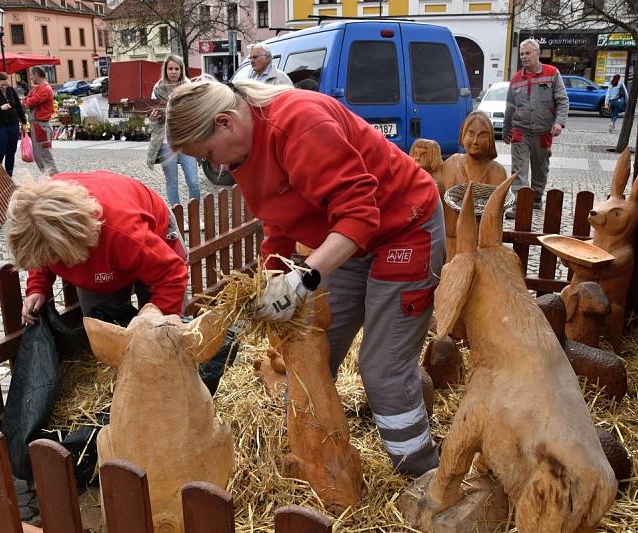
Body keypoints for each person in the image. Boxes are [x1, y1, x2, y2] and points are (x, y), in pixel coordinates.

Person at [166, 78, 445, 476]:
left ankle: (420, 472)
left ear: (225, 122)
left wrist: (304, 280)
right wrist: (272, 278)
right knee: (314, 350)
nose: (217, 166)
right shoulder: (245, 152)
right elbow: (279, 223)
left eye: (208, 154)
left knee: (381, 366)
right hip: (347, 237)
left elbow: (360, 214)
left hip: (403, 226)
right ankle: (320, 456)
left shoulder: (298, 124)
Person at [7, 171, 188, 324]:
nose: (54, 262)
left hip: (146, 240)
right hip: (106, 258)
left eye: (56, 256)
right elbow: (41, 254)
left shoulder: (124, 231)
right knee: (102, 324)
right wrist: (37, 288)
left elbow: (170, 276)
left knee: (165, 328)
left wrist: (157, 325)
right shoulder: (36, 224)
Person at [502, 38, 568, 220]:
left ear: (538, 54)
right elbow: (509, 106)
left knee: (540, 168)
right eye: (522, 53)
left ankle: (537, 198)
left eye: (528, 53)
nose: (524, 56)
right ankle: (520, 205)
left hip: (543, 131)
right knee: (519, 169)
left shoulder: (552, 73)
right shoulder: (516, 79)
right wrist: (506, 130)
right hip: (520, 130)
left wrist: (559, 122)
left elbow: (562, 100)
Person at [440, 112, 507, 260]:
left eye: (482, 135)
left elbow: (494, 219)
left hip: (481, 248)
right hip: (451, 243)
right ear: (462, 136)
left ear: (490, 139)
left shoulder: (497, 171)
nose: (475, 141)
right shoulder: (450, 164)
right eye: (470, 134)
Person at [146, 54, 201, 207]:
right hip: (165, 142)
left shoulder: (189, 88)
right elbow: (152, 118)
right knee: (172, 183)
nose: (174, 72)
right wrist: (153, 118)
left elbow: (195, 112)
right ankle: (178, 218)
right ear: (165, 70)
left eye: (177, 68)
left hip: (185, 140)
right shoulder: (157, 89)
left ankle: (195, 215)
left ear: (181, 70)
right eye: (170, 68)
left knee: (193, 181)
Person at [0, 72, 27, 176]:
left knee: (11, 152)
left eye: (6, 84)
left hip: (13, 124)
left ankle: (9, 175)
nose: (4, 87)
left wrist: (24, 122)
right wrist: (0, 108)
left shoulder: (11, 90)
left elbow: (19, 107)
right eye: (1, 85)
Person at [23, 67, 59, 176]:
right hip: (37, 125)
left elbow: (28, 103)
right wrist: (27, 100)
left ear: (37, 74)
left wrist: (27, 100)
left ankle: (54, 180)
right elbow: (26, 100)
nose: (30, 77)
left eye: (31, 75)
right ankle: (47, 180)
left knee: (45, 156)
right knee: (39, 156)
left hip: (41, 125)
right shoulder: (37, 89)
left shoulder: (45, 89)